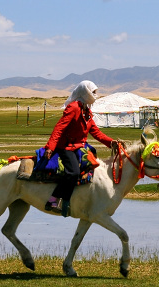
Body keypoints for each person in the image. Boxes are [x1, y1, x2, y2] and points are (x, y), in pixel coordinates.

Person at [42, 80, 120, 216]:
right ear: (86, 92)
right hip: (66, 147)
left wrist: (111, 142)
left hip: (79, 147)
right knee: (73, 172)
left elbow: (96, 132)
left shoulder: (87, 111)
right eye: (94, 92)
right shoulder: (74, 108)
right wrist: (50, 147)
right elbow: (59, 128)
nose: (96, 95)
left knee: (94, 168)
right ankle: (54, 199)